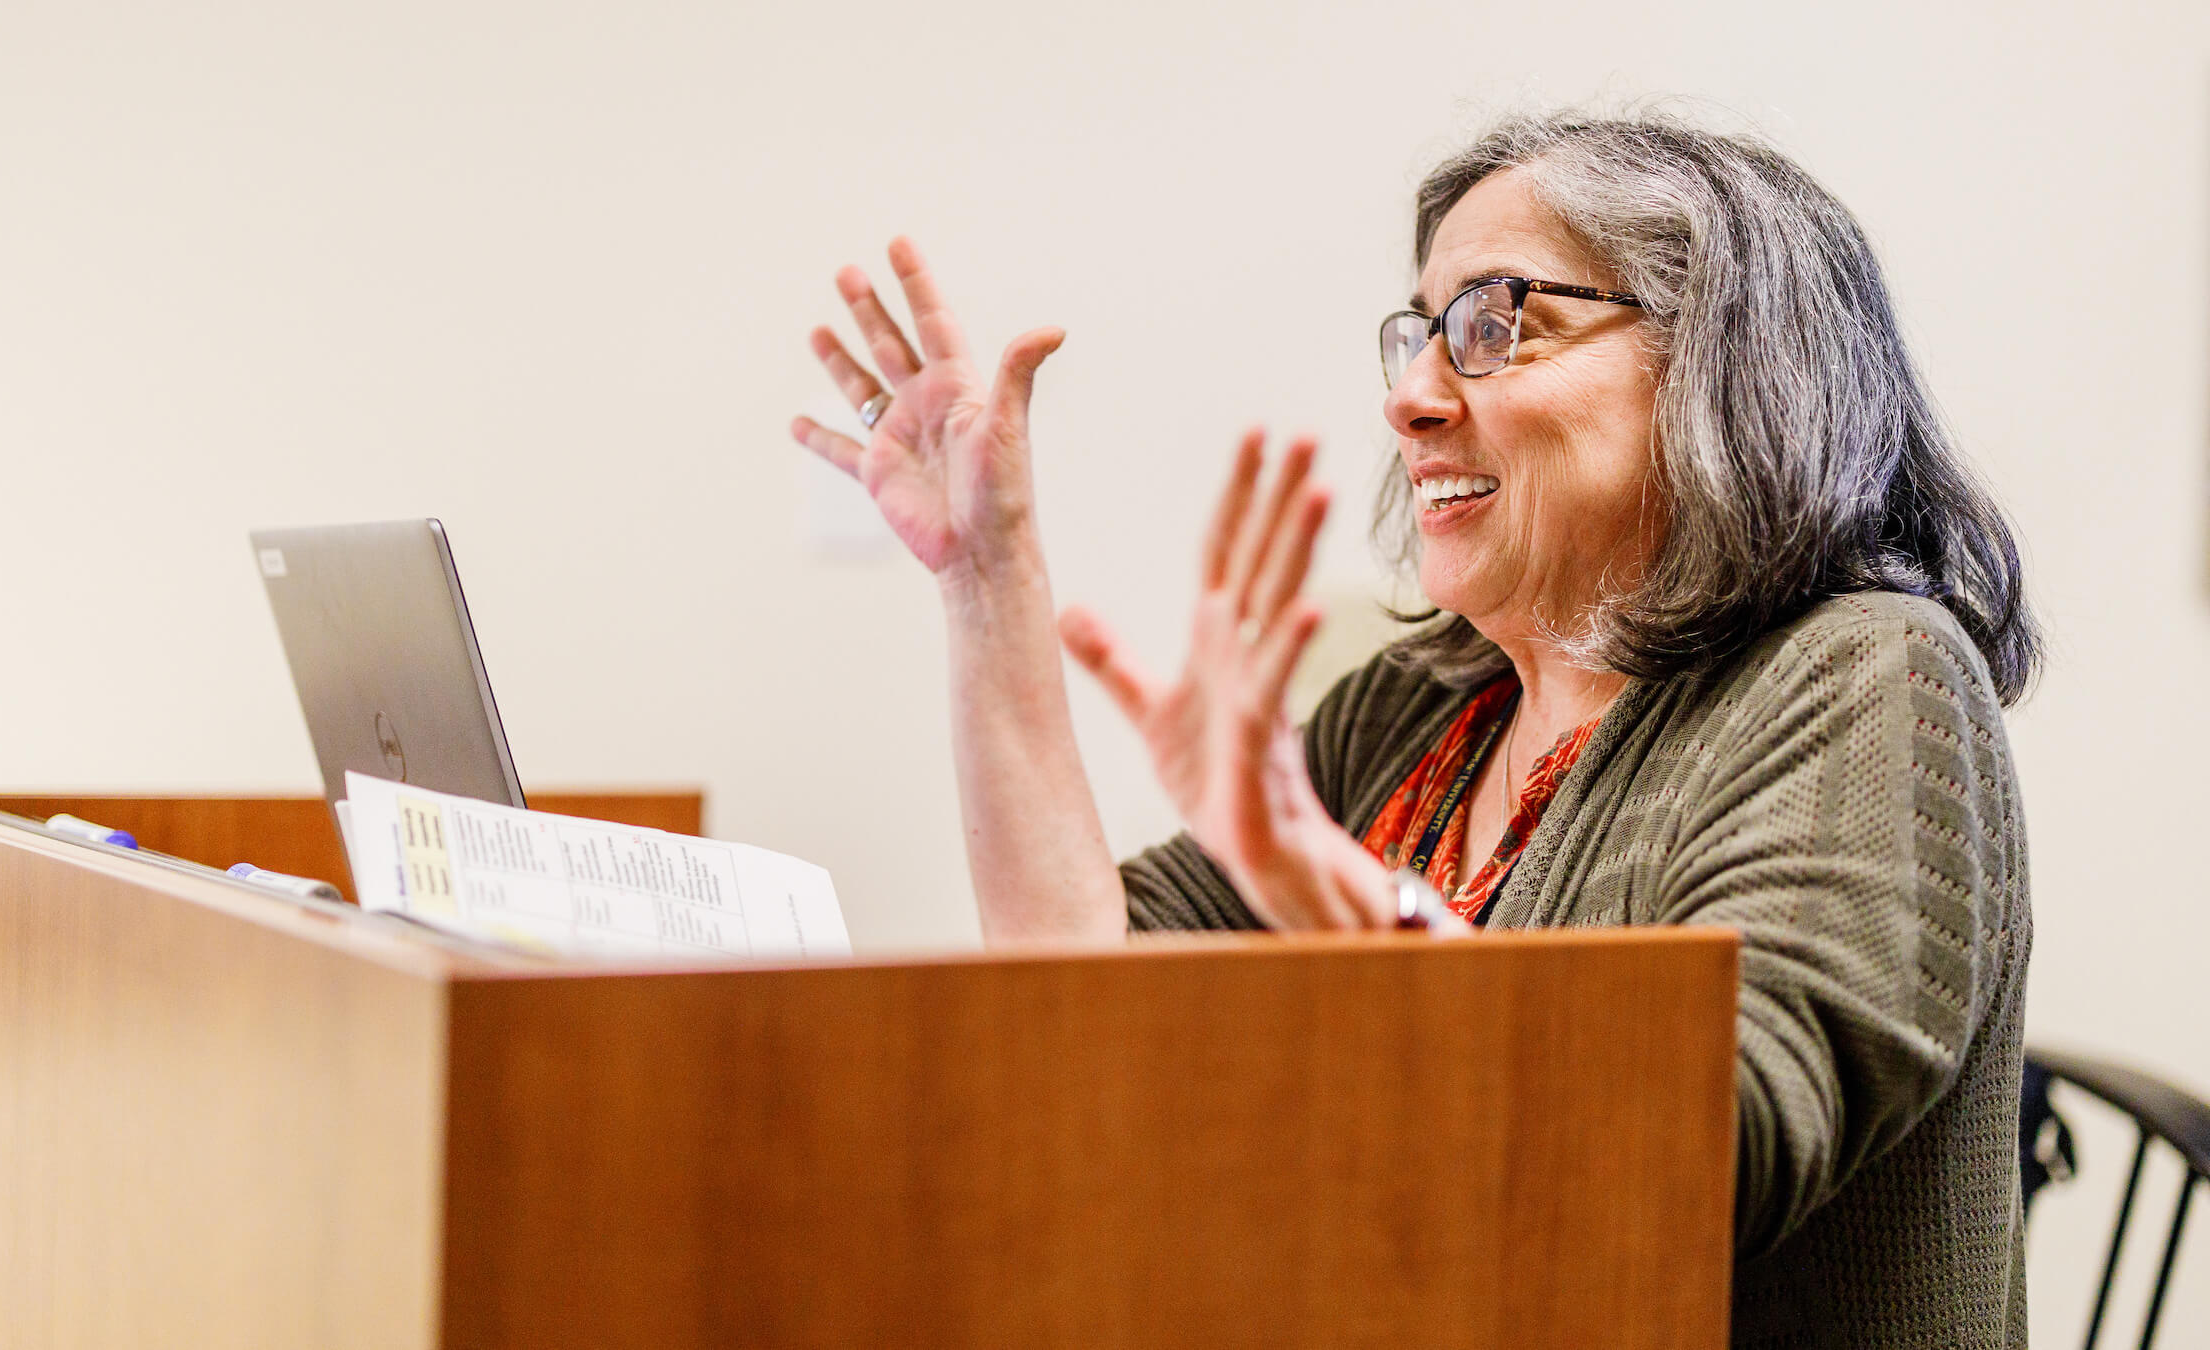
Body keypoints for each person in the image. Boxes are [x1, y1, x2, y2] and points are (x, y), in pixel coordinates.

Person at [791, 110, 2034, 1350]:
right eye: (1421, 335)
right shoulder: (1416, 714)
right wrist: (987, 571)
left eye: (1495, 324)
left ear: (1723, 360)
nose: (1411, 398)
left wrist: (1339, 909)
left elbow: (1706, 1160)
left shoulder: (1869, 677)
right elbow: (1086, 989)